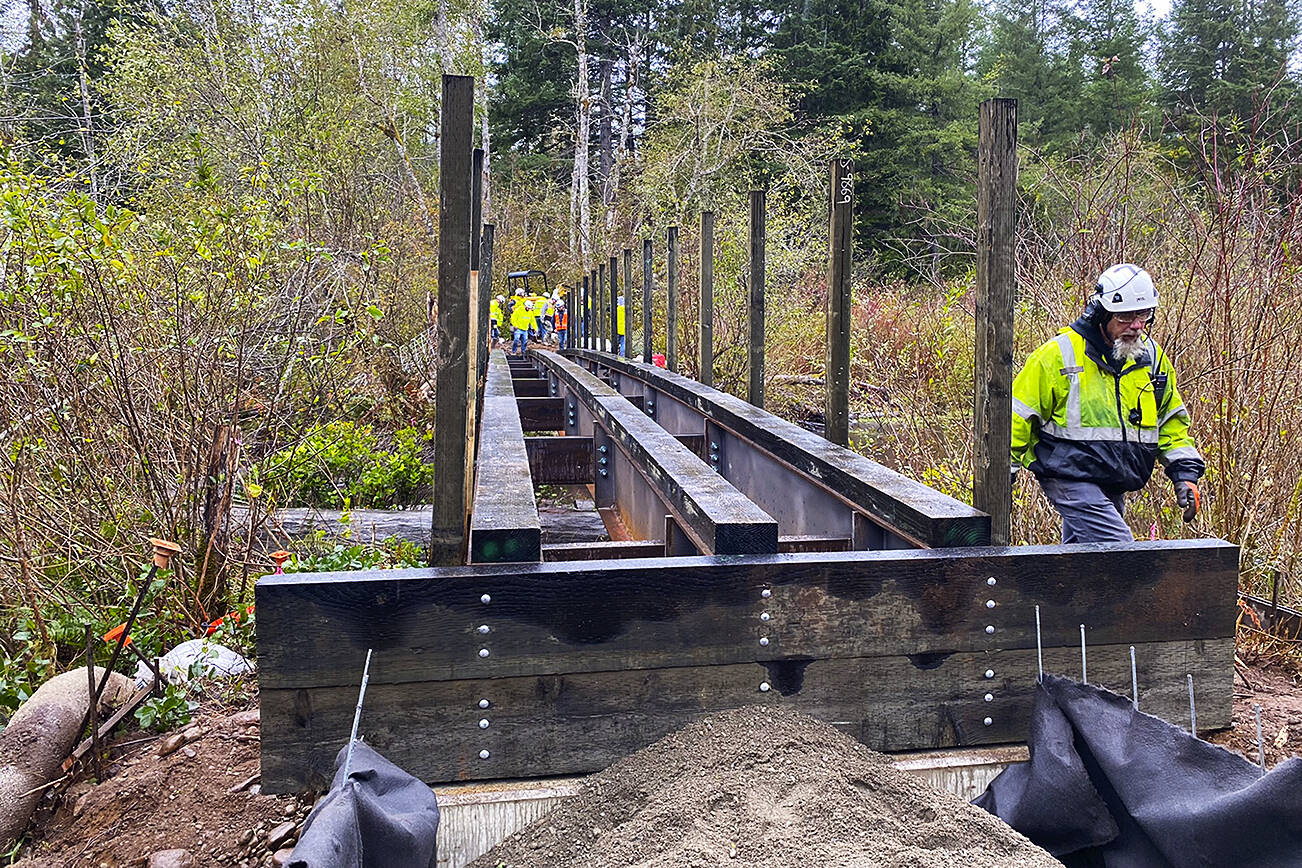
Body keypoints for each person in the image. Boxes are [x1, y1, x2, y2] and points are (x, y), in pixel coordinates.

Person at [1011, 264, 1204, 544]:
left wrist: (1184, 474)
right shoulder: (1058, 355)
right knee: (1120, 552)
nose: (1136, 325)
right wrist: (1005, 474)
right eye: (1125, 316)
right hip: (1067, 475)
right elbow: (1017, 416)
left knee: (1087, 567)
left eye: (1144, 314)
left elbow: (1170, 421)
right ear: (1101, 313)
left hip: (1113, 479)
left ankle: (1064, 590)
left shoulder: (1152, 358)